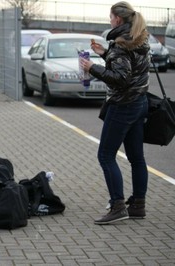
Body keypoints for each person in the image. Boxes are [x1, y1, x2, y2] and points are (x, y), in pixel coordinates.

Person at [80, 1, 149, 225]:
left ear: (118, 20)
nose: (110, 21)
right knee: (136, 158)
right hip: (140, 102)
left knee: (106, 155)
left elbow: (120, 78)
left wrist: (92, 67)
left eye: (110, 18)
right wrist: (105, 53)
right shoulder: (139, 38)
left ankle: (118, 206)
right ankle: (138, 205)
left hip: (123, 106)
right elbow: (128, 66)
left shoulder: (121, 44)